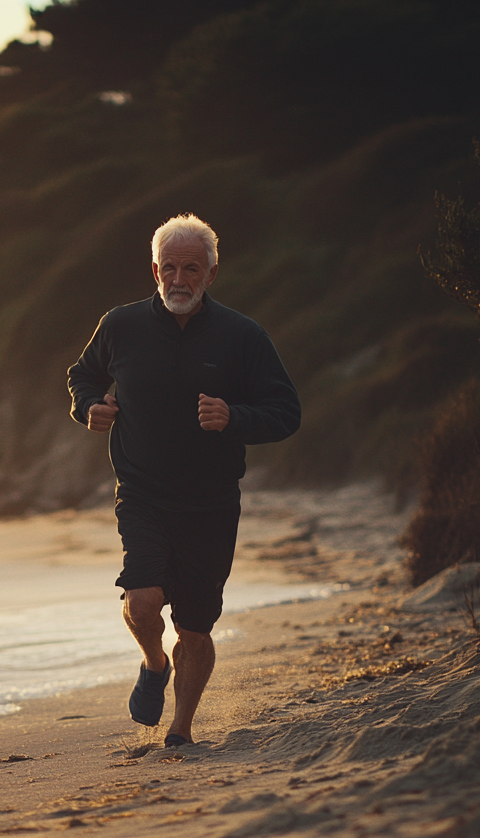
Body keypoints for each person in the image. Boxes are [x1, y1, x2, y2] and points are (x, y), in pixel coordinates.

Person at [67, 213, 301, 747]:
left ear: (211, 274)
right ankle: (153, 664)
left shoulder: (243, 336)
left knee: (195, 629)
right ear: (154, 270)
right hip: (143, 496)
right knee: (142, 602)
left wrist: (234, 417)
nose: (179, 279)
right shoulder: (120, 326)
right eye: (168, 267)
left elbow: (286, 412)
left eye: (191, 268)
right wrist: (89, 407)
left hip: (211, 505)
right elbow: (82, 375)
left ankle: (181, 730)